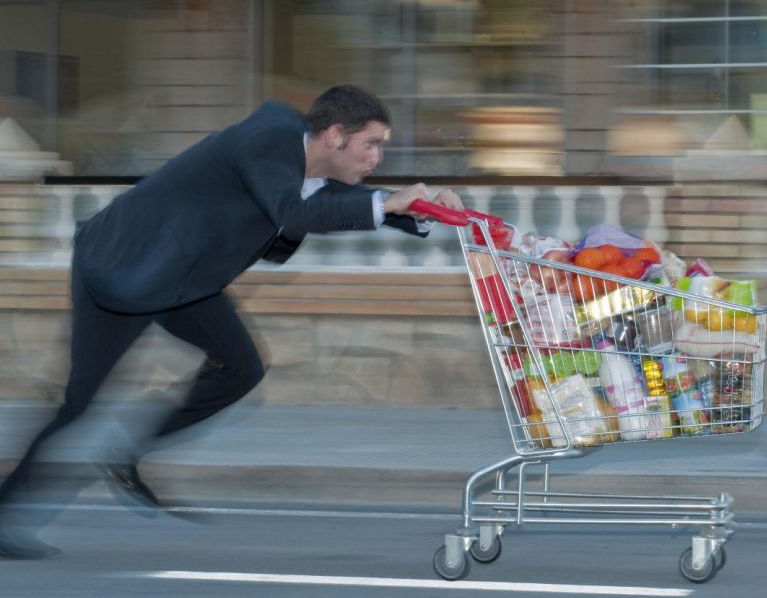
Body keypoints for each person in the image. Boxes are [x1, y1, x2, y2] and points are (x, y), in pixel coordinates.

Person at [0, 84, 464, 559]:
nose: (377, 157)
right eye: (371, 144)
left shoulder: (307, 165)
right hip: (123, 273)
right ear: (333, 137)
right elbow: (297, 212)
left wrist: (429, 212)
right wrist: (387, 203)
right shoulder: (269, 138)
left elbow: (333, 198)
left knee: (241, 367)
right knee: (78, 406)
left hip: (183, 279)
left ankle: (125, 449)